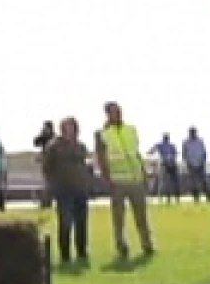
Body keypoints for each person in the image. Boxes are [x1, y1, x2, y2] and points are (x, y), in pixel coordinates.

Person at [95, 102, 154, 259]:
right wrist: (107, 179)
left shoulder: (131, 130)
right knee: (119, 217)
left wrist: (144, 173)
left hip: (136, 179)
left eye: (119, 111)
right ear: (107, 114)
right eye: (114, 112)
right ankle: (121, 245)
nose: (118, 114)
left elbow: (136, 153)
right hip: (117, 181)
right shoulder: (102, 134)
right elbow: (101, 158)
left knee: (141, 215)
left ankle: (147, 244)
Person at [40, 118, 95, 264]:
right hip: (63, 190)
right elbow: (46, 167)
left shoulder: (81, 146)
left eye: (73, 127)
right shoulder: (54, 146)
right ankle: (65, 254)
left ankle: (82, 251)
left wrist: (88, 182)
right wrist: (50, 186)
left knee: (81, 222)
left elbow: (85, 165)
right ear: (62, 129)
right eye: (67, 127)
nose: (70, 130)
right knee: (65, 222)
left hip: (80, 190)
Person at [182, 127, 210, 202]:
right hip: (191, 164)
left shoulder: (200, 141)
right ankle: (196, 198)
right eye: (191, 132)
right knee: (193, 182)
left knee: (204, 181)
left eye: (194, 132)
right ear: (189, 133)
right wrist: (188, 162)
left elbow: (204, 151)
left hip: (200, 163)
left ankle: (209, 197)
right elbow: (184, 154)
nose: (193, 134)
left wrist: (203, 160)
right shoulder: (186, 142)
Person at [33, 121, 56, 209]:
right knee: (47, 183)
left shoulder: (54, 137)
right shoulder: (43, 137)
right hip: (45, 162)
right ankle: (45, 202)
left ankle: (46, 201)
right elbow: (35, 143)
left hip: (53, 163)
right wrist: (42, 134)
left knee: (50, 184)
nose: (46, 130)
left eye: (47, 128)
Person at [153, 133, 181, 200]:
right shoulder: (163, 145)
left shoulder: (168, 145)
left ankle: (174, 196)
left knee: (170, 181)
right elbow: (175, 154)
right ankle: (164, 196)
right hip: (167, 164)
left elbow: (175, 154)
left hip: (170, 163)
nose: (166, 139)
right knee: (166, 181)